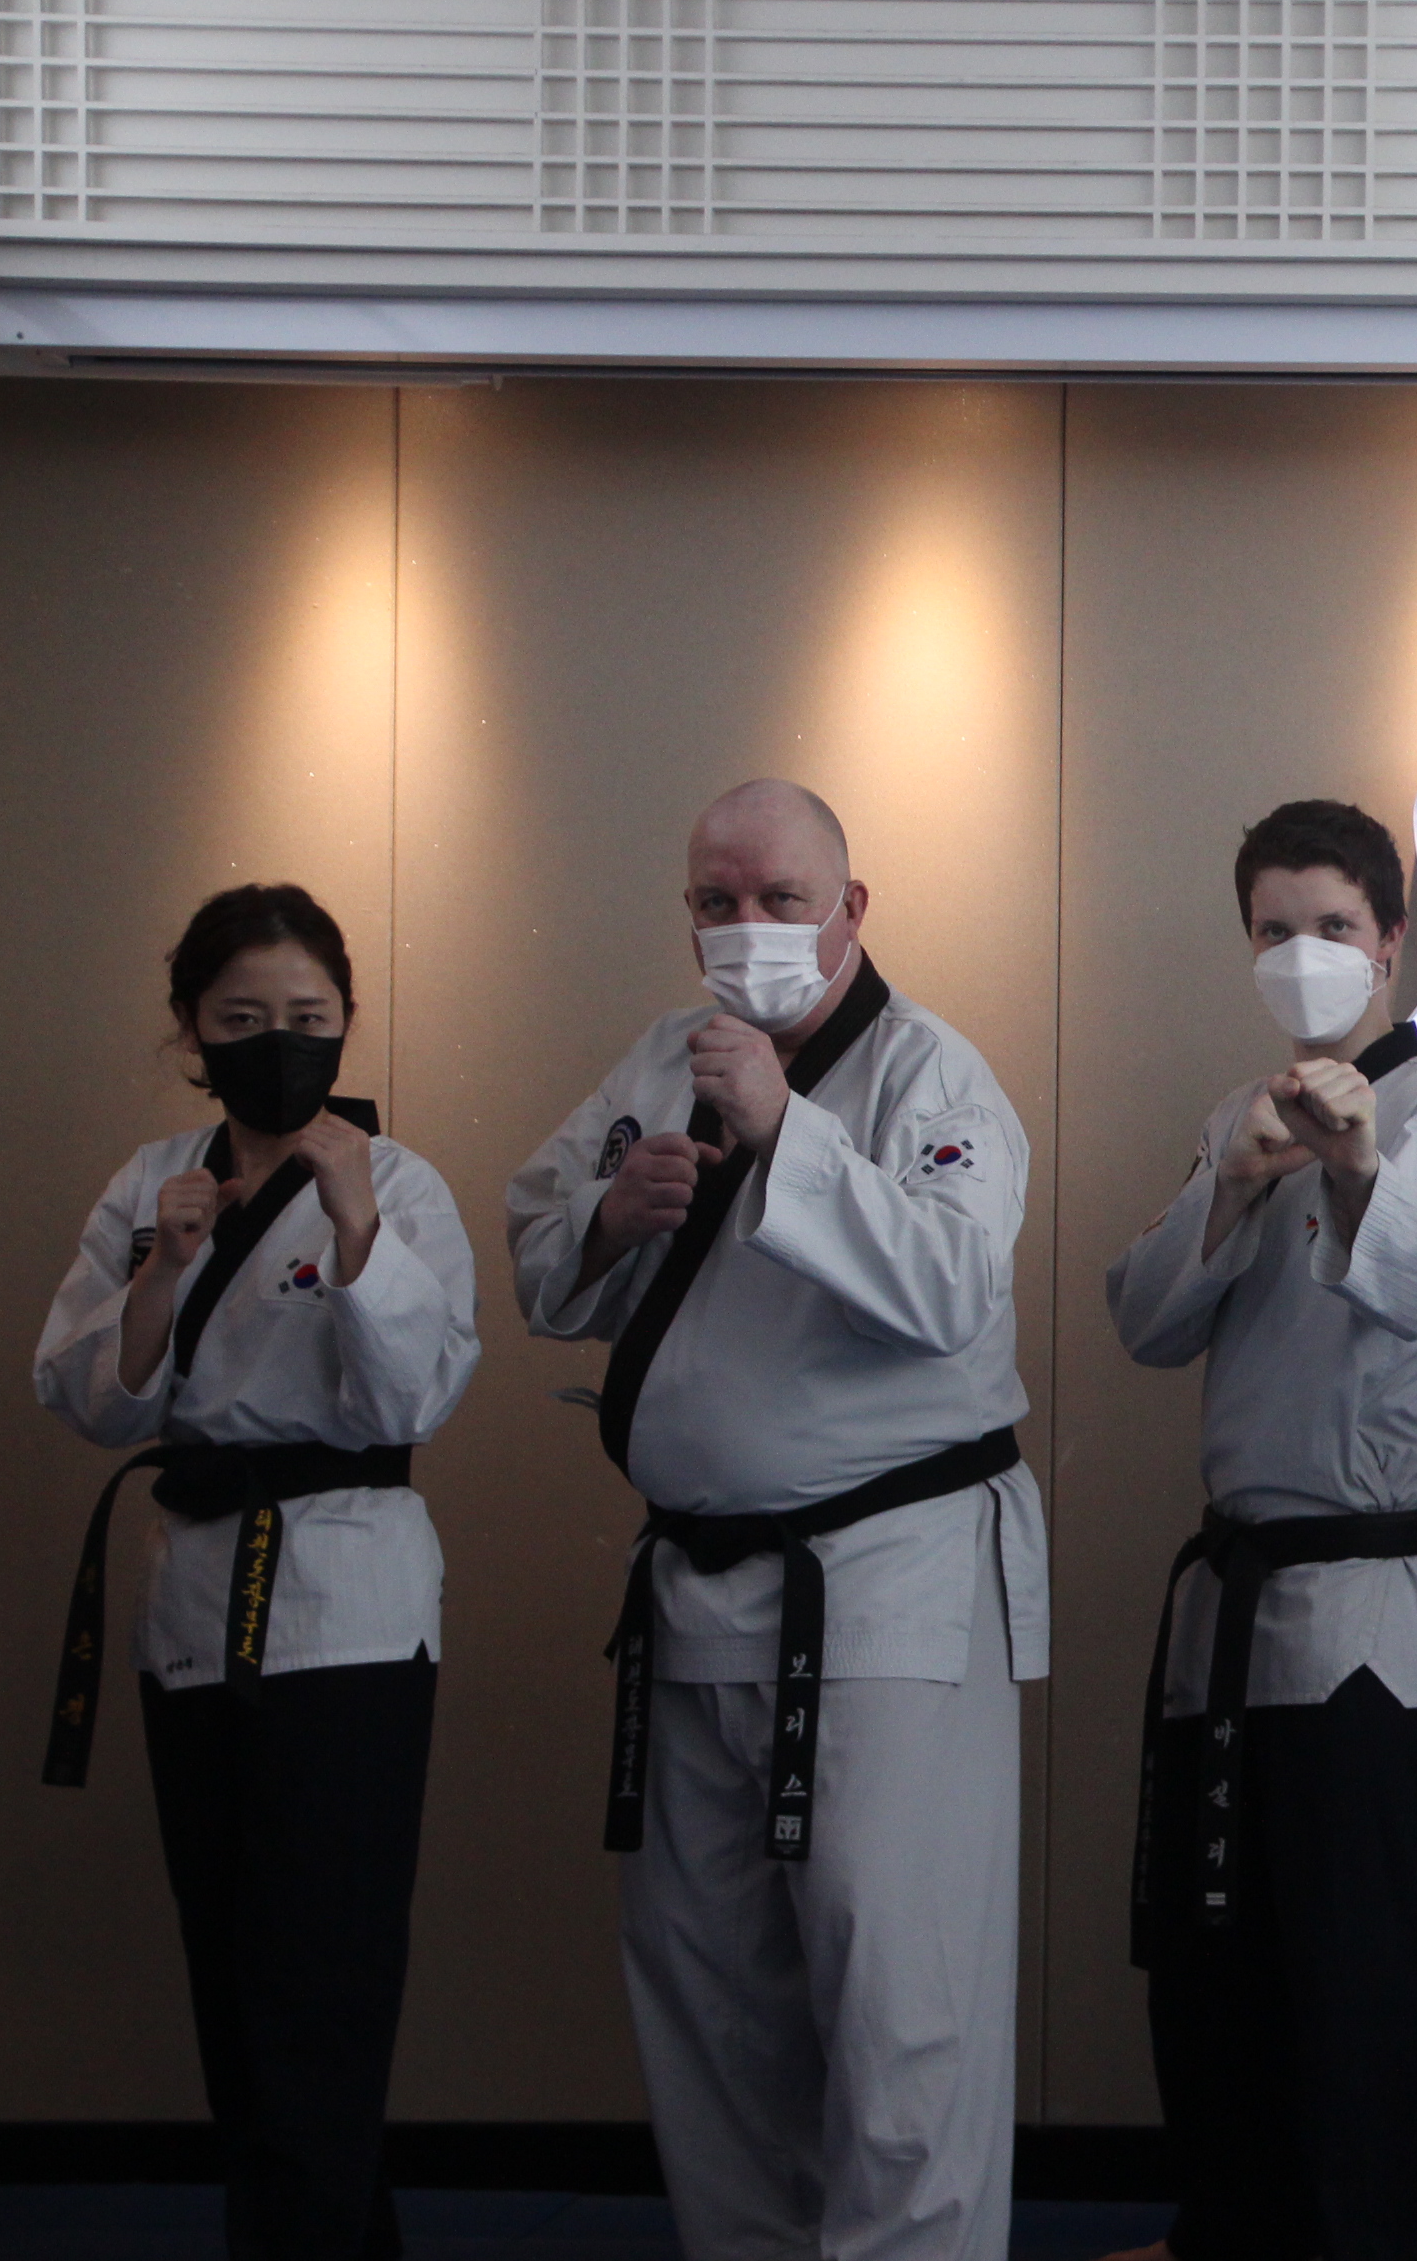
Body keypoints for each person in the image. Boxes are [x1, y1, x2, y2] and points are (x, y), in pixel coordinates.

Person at [506, 779, 1041, 2261]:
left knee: (899, 2002)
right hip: (698, 1595)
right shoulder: (654, 1063)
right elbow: (539, 1259)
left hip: (891, 1593)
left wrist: (785, 1132)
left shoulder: (933, 1077)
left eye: (781, 899)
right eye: (717, 901)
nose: (748, 926)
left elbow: (953, 1288)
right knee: (712, 1996)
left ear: (850, 909)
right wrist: (609, 1218)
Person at [35, 883, 480, 2261]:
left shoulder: (399, 1184)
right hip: (192, 1599)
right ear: (190, 1032)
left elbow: (415, 1396)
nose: (277, 1043)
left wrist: (355, 1230)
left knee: (321, 1980)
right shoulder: (149, 1183)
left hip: (348, 1611)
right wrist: (163, 1270)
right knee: (232, 1968)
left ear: (346, 1024)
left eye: (306, 1015)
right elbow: (85, 1397)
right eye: (241, 1020)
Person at [1100, 800, 1417, 2261]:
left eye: (1333, 926)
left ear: (1390, 943)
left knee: (1366, 1967)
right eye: (1276, 930)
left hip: (1365, 1601)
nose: (1305, 952)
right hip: (1234, 1599)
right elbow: (1145, 1320)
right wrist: (1235, 1182)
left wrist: (1354, 1168)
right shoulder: (1237, 1118)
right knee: (1219, 1958)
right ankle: (1232, 2228)